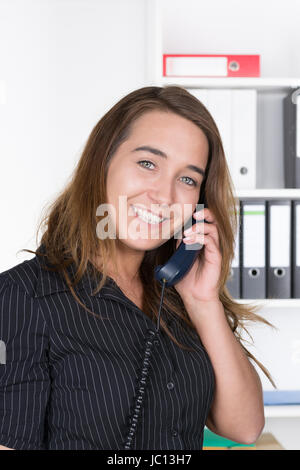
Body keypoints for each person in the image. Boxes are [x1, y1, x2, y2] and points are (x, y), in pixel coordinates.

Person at [0, 85, 274, 451]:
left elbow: (244, 427)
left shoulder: (178, 296)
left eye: (188, 179)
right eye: (148, 164)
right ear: (103, 161)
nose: (164, 195)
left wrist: (203, 301)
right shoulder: (23, 297)